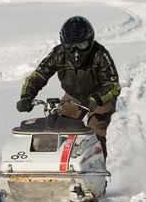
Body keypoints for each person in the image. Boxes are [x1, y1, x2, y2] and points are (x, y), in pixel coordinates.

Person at [16, 16, 121, 159]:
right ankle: (46, 167)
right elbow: (38, 76)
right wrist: (27, 96)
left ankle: (96, 172)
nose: (76, 53)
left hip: (100, 96)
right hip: (74, 96)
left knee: (94, 133)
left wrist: (96, 98)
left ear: (90, 41)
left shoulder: (100, 54)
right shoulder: (58, 54)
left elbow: (113, 85)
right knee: (56, 127)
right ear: (63, 44)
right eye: (70, 47)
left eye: (81, 46)